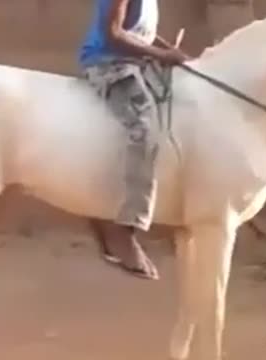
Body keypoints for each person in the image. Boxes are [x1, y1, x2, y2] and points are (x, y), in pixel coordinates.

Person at [78, 0, 190, 280]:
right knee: (146, 131)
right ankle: (124, 229)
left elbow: (140, 33)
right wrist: (161, 55)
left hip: (134, 63)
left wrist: (165, 51)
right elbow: (113, 34)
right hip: (108, 64)